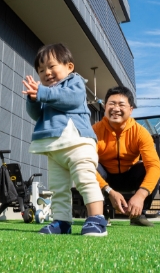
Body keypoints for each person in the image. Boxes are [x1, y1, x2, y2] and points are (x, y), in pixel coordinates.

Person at [22, 43, 107, 236]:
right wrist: (34, 100)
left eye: (52, 66)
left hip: (78, 143)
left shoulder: (74, 82)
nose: (47, 72)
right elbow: (37, 116)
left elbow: (72, 99)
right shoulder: (47, 94)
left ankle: (96, 219)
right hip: (55, 147)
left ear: (69, 67)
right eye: (41, 70)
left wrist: (43, 93)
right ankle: (62, 222)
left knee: (85, 180)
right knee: (58, 187)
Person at [93, 86, 160, 227]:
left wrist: (141, 195)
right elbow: (84, 164)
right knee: (87, 166)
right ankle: (100, 214)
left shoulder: (140, 133)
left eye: (121, 104)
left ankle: (138, 214)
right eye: (111, 104)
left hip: (129, 175)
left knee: (148, 168)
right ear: (105, 107)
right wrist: (109, 190)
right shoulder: (94, 131)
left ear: (131, 109)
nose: (116, 108)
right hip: (105, 176)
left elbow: (154, 166)